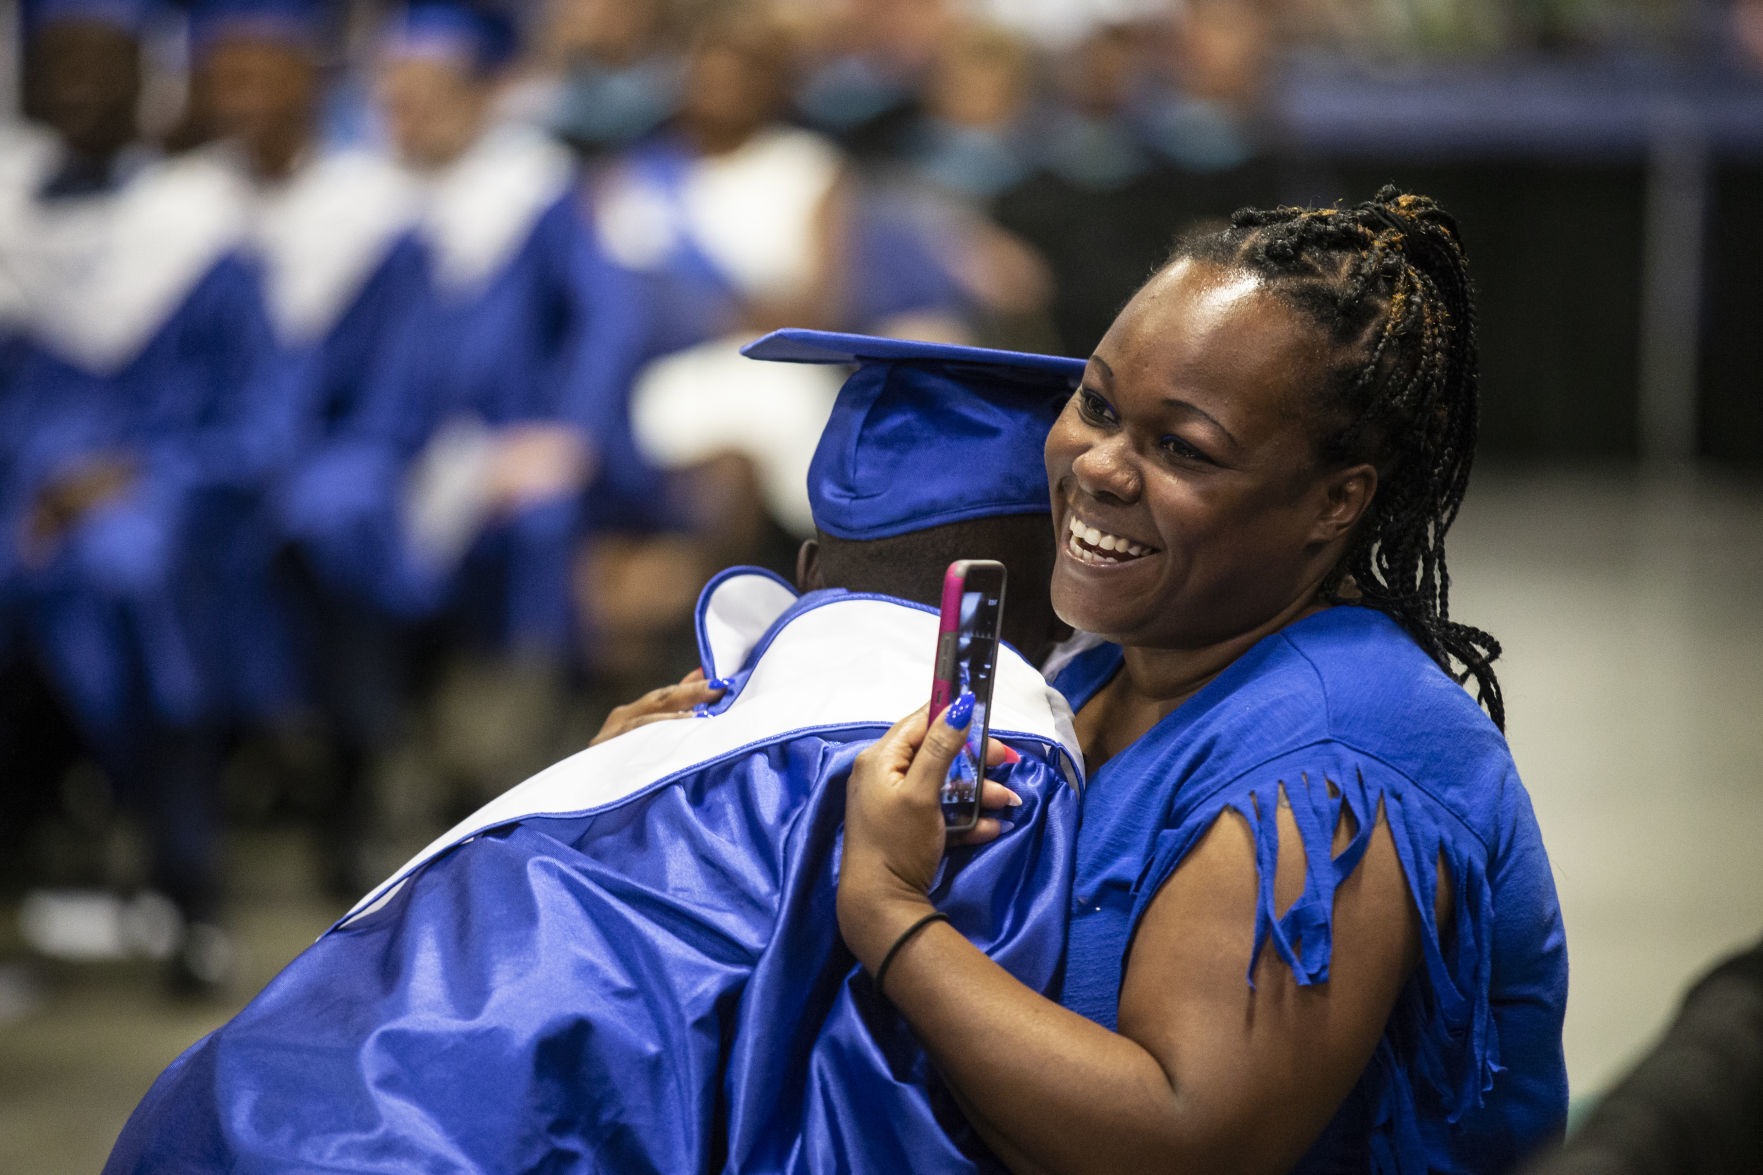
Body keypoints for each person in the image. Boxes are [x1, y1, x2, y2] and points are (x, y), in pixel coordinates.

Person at [104, 331, 1086, 1173]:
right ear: (1054, 588)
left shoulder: (665, 734)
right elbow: (891, 1115)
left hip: (217, 1107)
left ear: (807, 570)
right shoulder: (978, 765)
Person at [835, 189, 1569, 1173]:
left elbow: (1179, 1138)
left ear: (1335, 499)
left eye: (1181, 448)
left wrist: (888, 910)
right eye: (1095, 403)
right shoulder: (1110, 658)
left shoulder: (1334, 755)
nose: (1098, 466)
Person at [1, 0, 291, 991]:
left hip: (165, 498)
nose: (77, 87)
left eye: (103, 65)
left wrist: (131, 474)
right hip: (20, 495)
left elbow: (259, 423)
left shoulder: (200, 228)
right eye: (58, 66)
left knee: (124, 571)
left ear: (148, 84)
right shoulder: (8, 212)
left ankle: (183, 878)